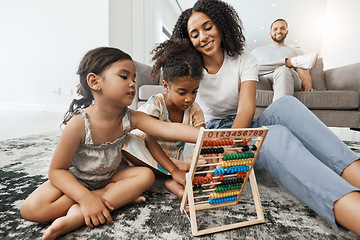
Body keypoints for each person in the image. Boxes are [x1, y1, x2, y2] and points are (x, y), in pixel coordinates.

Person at [171, 0, 360, 236]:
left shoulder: (244, 59)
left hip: (243, 125)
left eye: (207, 27)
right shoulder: (191, 67)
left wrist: (241, 140)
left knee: (286, 105)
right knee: (274, 138)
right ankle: (353, 210)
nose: (203, 37)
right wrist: (229, 150)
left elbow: (246, 110)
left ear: (220, 25)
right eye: (194, 34)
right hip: (214, 138)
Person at [20, 47, 199, 240]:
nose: (132, 83)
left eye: (133, 78)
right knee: (31, 210)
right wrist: (84, 197)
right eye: (124, 77)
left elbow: (170, 129)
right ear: (95, 82)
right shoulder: (79, 124)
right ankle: (109, 199)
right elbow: (57, 171)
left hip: (111, 176)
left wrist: (208, 135)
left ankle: (78, 215)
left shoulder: (131, 117)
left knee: (145, 176)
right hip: (78, 178)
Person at [122, 39, 205, 199]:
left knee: (206, 157)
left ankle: (167, 179)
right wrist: (174, 171)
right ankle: (171, 177)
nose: (189, 99)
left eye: (194, 91)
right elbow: (150, 141)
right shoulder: (157, 102)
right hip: (153, 150)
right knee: (128, 144)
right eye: (182, 92)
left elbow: (201, 139)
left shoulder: (195, 110)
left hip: (178, 155)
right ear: (166, 86)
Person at [251, 18, 317, 102]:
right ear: (270, 33)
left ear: (287, 32)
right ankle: (288, 62)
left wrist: (308, 87)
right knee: (249, 67)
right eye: (275, 29)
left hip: (287, 79)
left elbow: (303, 72)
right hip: (264, 81)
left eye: (282, 28)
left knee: (283, 69)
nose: (278, 31)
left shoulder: (296, 51)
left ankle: (279, 114)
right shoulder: (257, 51)